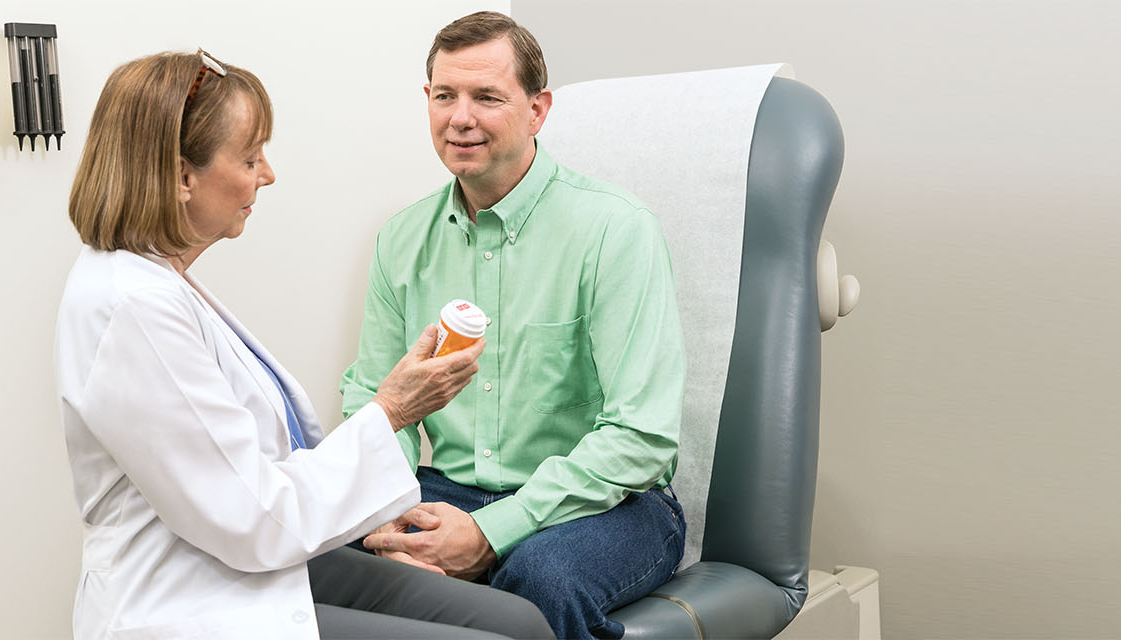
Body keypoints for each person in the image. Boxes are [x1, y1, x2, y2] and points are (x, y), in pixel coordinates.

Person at [54, 49, 555, 640]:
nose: (267, 174)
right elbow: (252, 517)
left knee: (520, 620)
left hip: (248, 553)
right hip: (191, 591)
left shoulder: (162, 280)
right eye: (248, 157)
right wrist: (394, 409)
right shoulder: (135, 307)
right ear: (181, 175)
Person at [338, 12, 690, 640]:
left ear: (537, 109)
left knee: (540, 580)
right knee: (322, 557)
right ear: (427, 101)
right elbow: (374, 399)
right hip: (448, 487)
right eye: (445, 95)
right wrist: (394, 519)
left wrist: (488, 533)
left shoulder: (615, 231)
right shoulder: (401, 240)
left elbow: (640, 435)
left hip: (608, 507)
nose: (460, 117)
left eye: (487, 97)